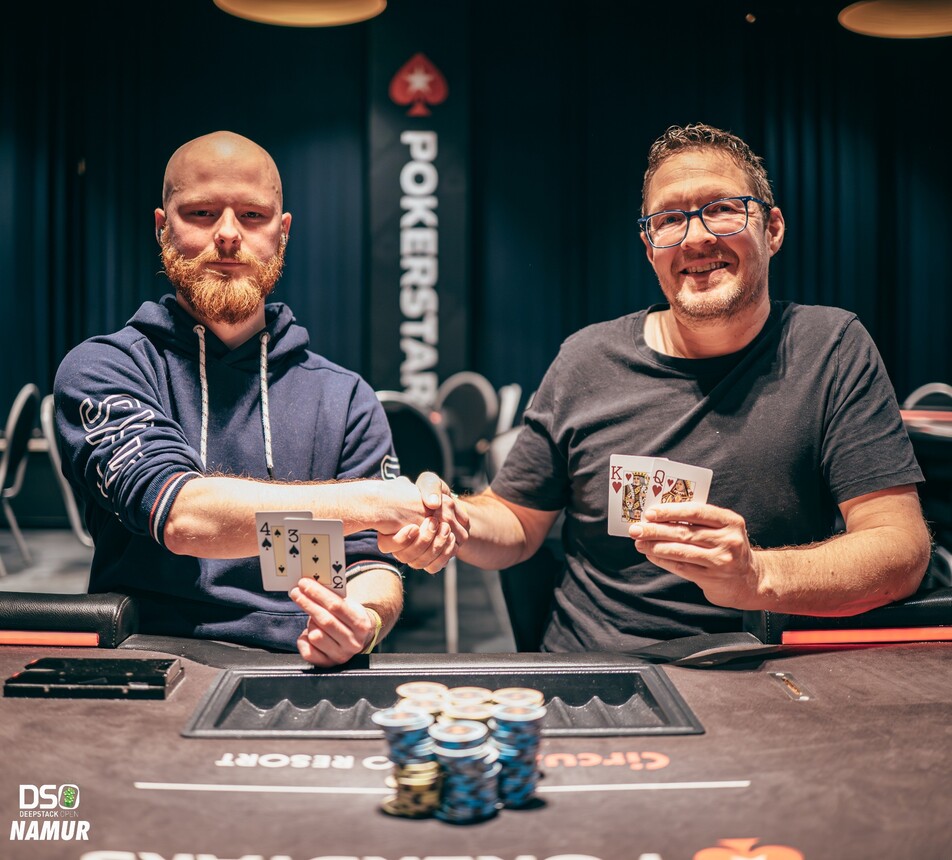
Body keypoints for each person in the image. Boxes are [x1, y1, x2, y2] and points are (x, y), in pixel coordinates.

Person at [383, 122, 932, 653]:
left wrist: (756, 576)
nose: (696, 237)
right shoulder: (585, 359)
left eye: (722, 209)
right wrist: (453, 518)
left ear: (772, 229)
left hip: (761, 669)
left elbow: (900, 550)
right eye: (669, 220)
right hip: (599, 670)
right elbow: (518, 521)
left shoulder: (830, 348)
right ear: (650, 248)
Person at [54, 130, 457, 666]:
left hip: (300, 661)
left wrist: (364, 620)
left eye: (252, 215)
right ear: (162, 227)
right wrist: (377, 502)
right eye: (201, 213)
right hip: (147, 656)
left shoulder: (343, 397)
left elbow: (367, 563)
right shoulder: (107, 369)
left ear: (281, 232)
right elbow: (182, 518)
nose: (227, 234)